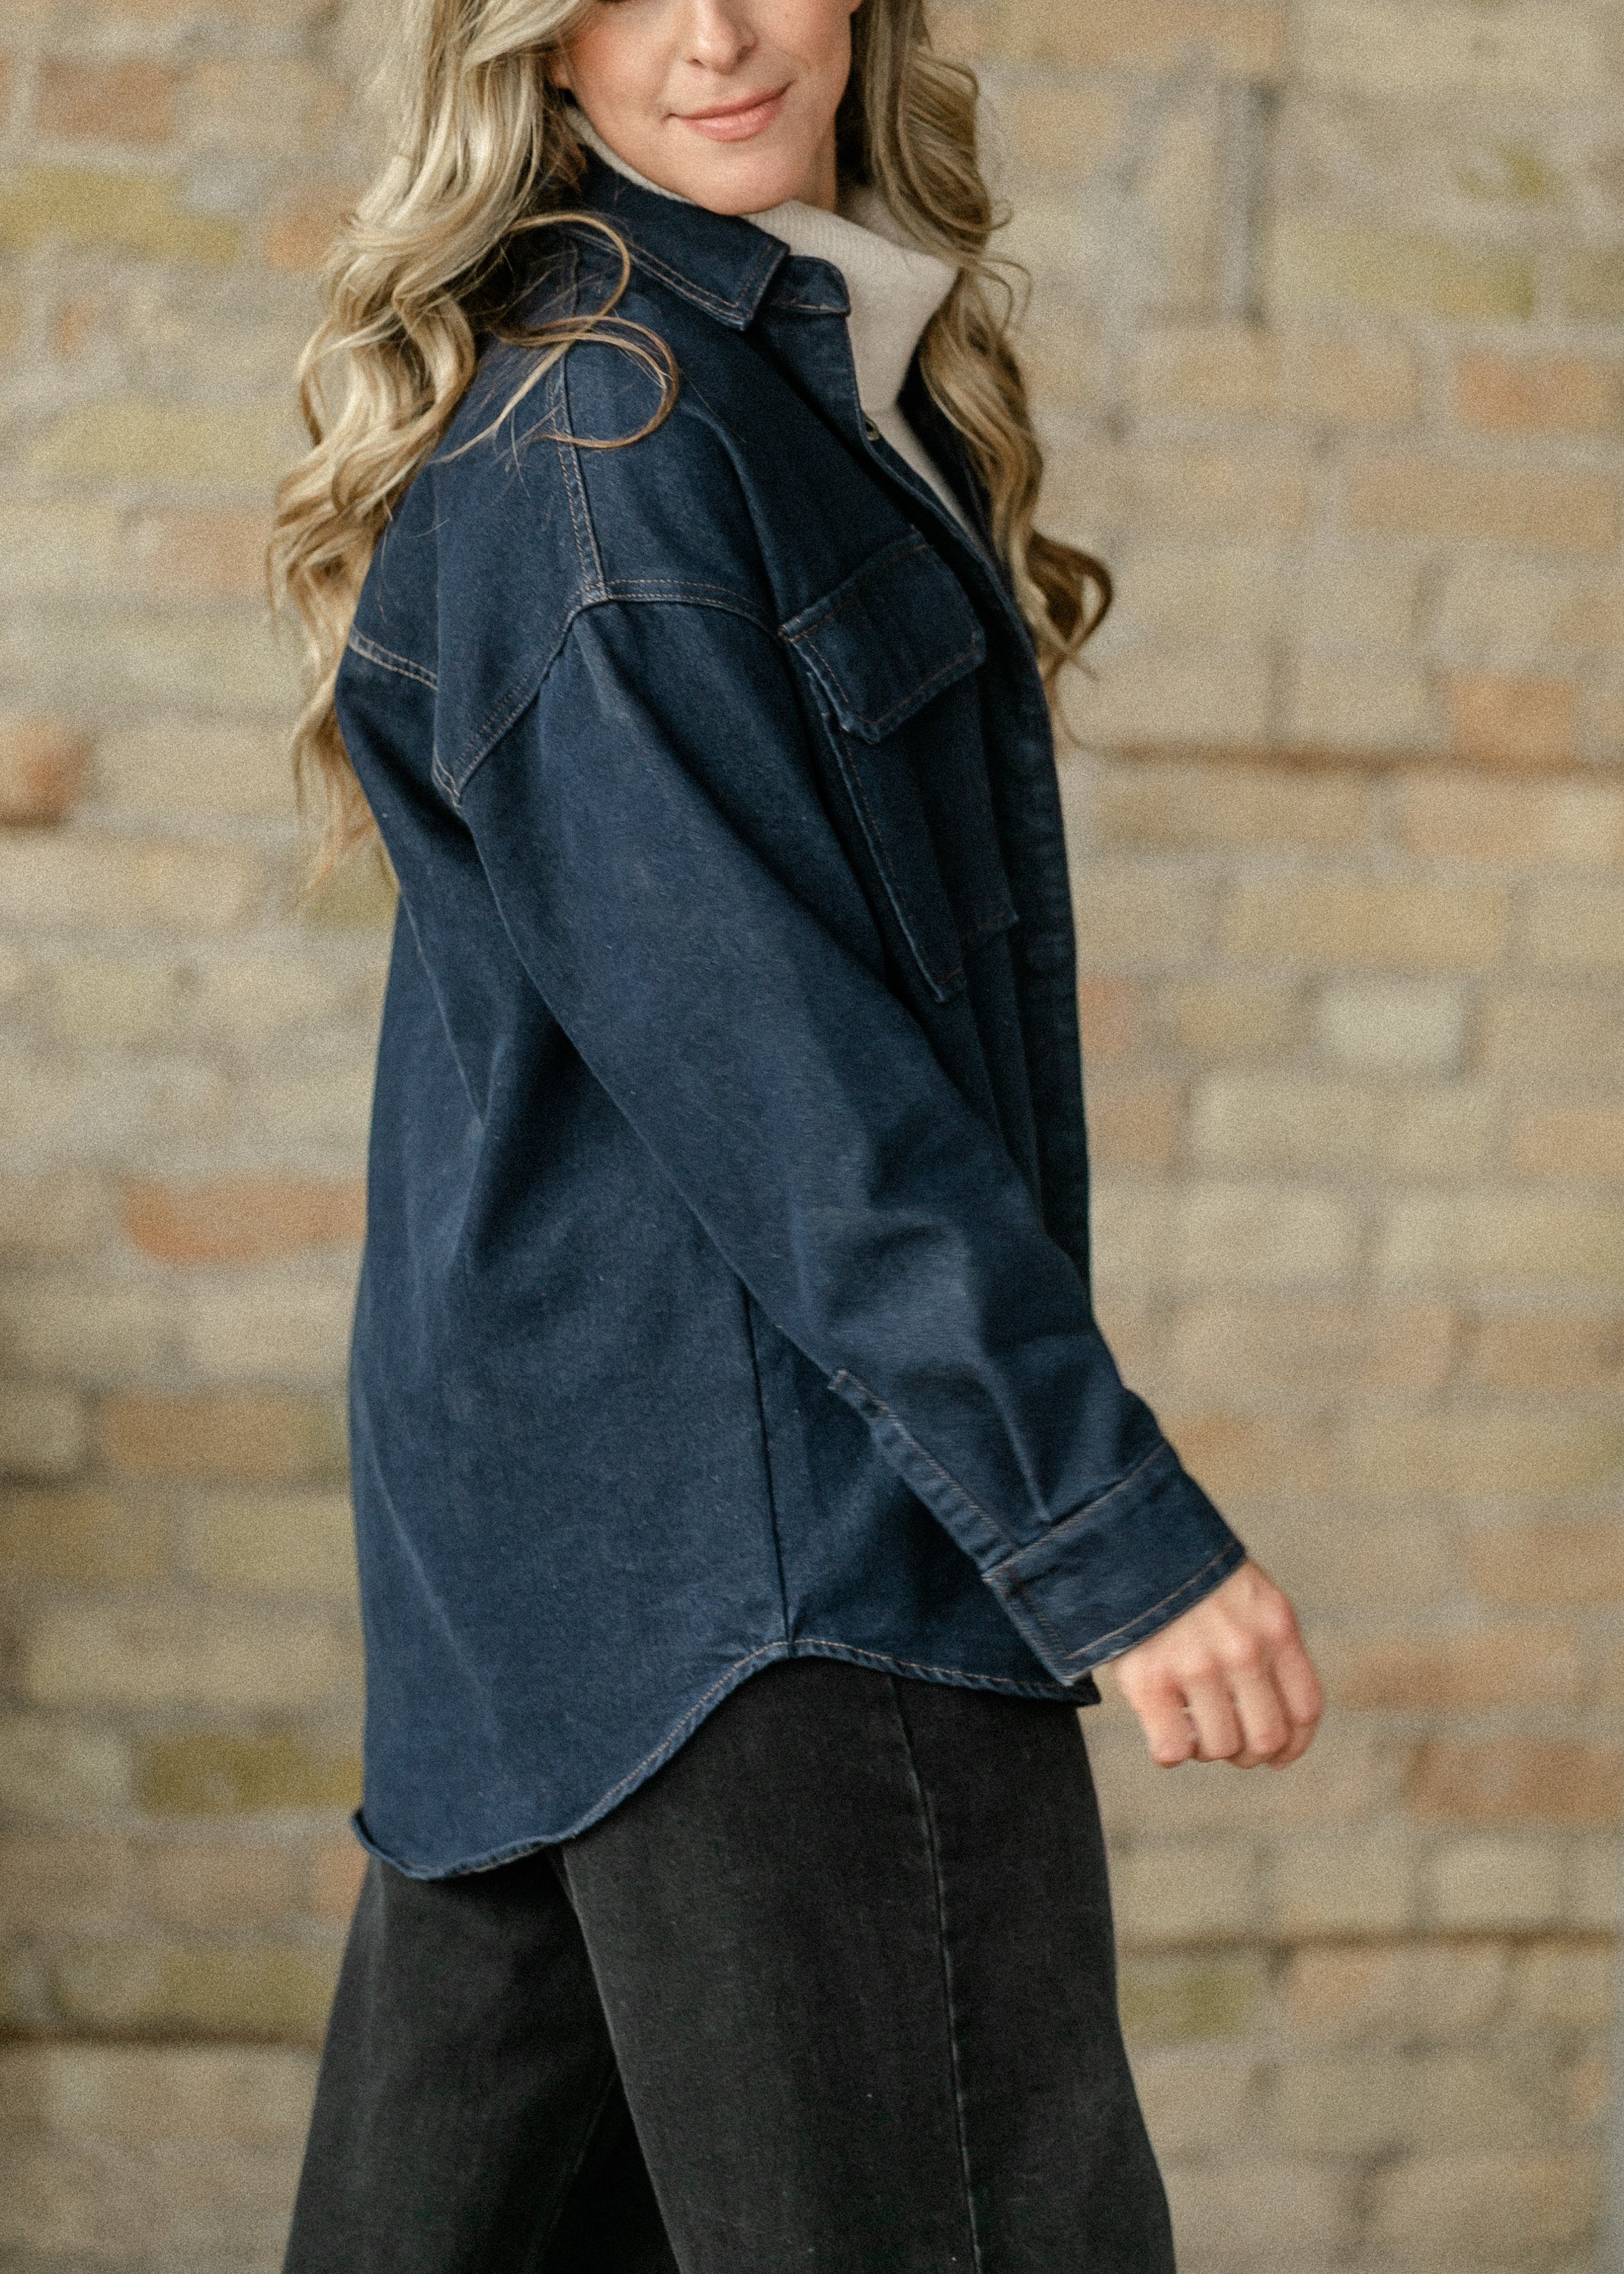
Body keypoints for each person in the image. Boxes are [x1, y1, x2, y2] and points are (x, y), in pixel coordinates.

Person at [270, 0, 1324, 2265]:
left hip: (582, 1563)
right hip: (779, 1572)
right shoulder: (614, 434)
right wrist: (1105, 1522)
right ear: (534, 48)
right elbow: (782, 1072)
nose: (719, 33)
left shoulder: (756, 375)